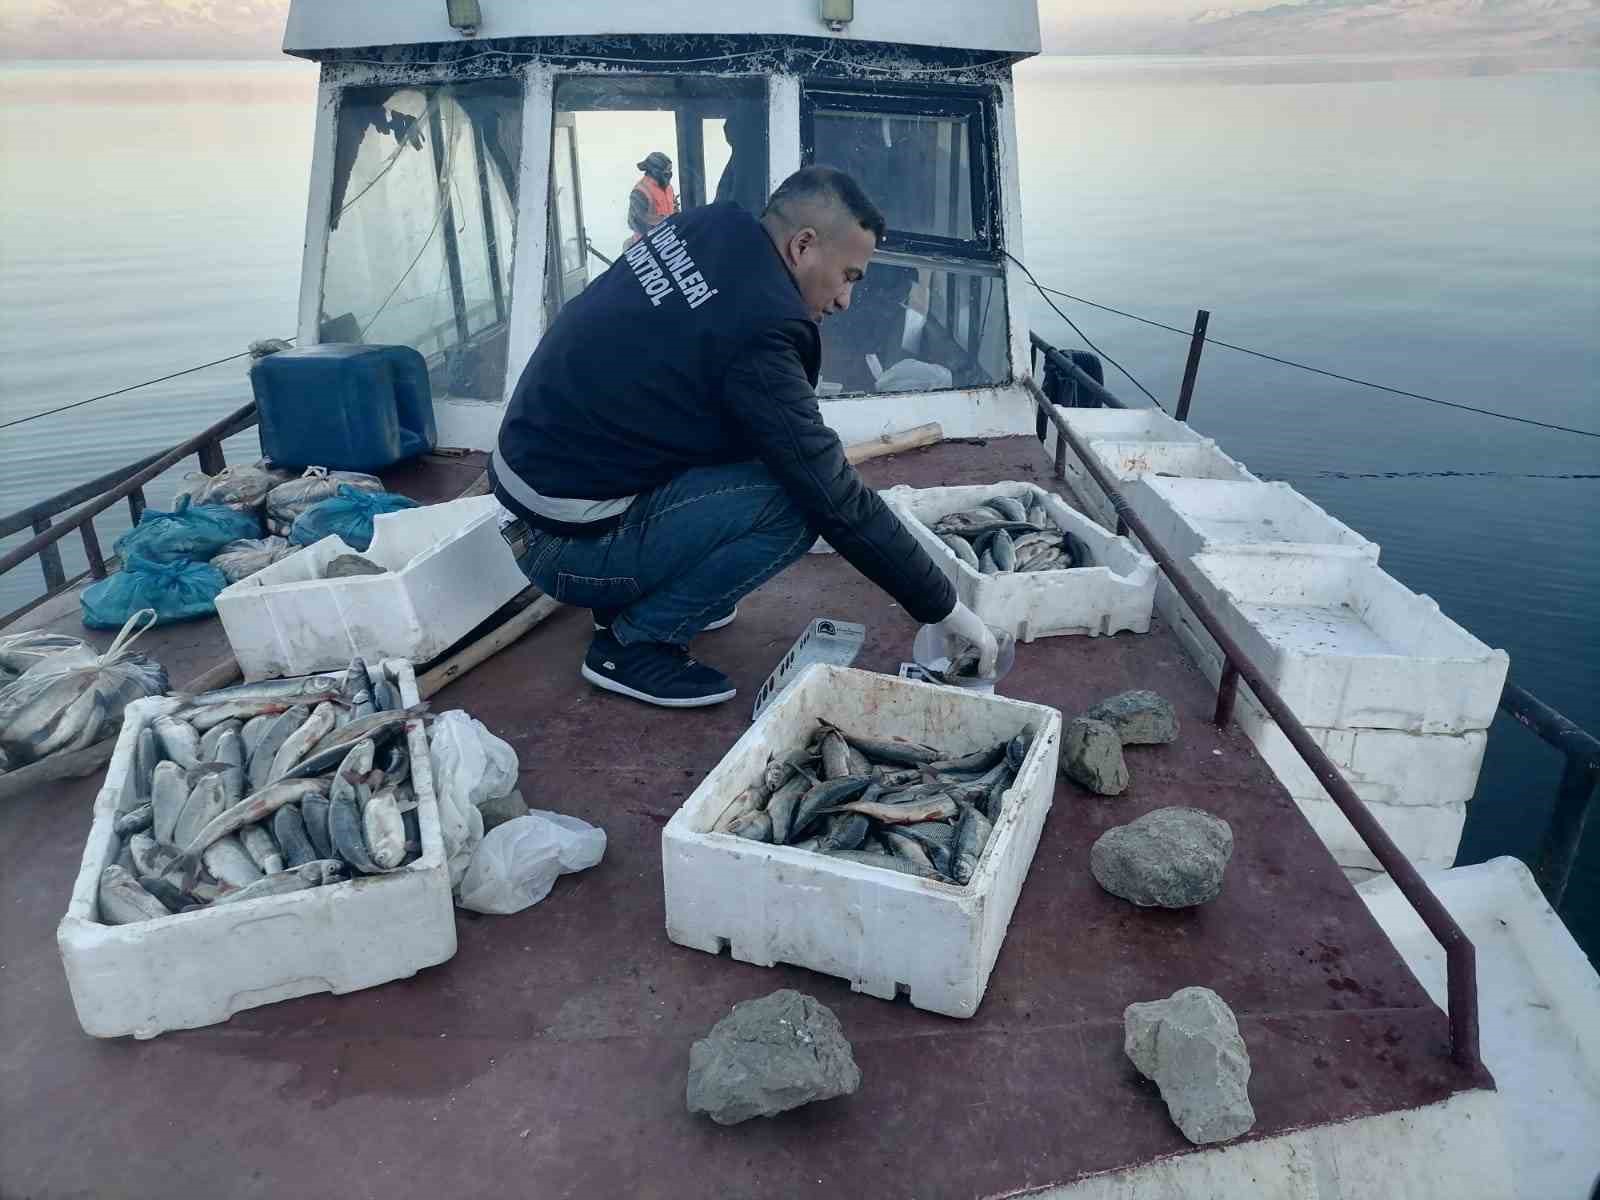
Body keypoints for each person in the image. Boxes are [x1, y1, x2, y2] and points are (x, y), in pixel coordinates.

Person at [490, 166, 999, 708]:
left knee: (765, 455)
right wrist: (947, 610)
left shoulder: (712, 226)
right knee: (799, 503)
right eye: (849, 275)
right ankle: (634, 643)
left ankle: (642, 590)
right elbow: (835, 500)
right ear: (803, 246)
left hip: (535, 498)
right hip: (566, 548)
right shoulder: (759, 331)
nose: (847, 299)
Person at [626, 151, 678, 246]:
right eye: (666, 171)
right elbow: (634, 222)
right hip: (647, 244)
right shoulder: (640, 191)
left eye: (670, 170)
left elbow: (673, 210)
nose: (669, 174)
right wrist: (659, 230)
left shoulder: (668, 188)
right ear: (655, 171)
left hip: (668, 239)